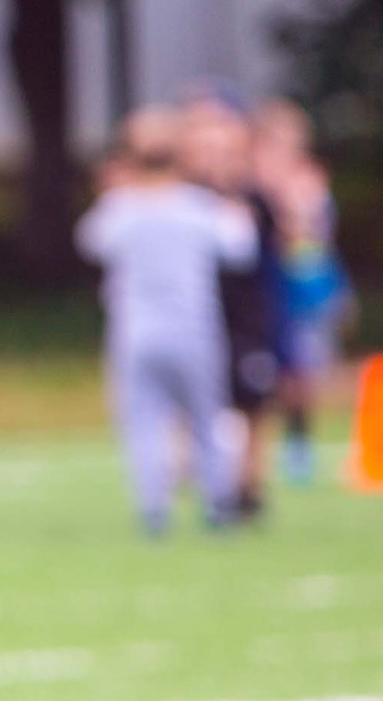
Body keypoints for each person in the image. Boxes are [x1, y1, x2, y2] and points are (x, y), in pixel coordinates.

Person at [77, 108, 259, 536]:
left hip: (136, 333)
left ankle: (154, 509)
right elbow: (241, 245)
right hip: (194, 329)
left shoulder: (119, 208)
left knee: (142, 422)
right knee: (206, 417)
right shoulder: (198, 206)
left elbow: (90, 242)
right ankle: (218, 504)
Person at [182, 94, 283, 521]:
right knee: (200, 406)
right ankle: (213, 485)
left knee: (253, 404)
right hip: (200, 318)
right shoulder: (186, 200)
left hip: (248, 320)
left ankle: (249, 488)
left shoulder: (254, 200)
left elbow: (265, 252)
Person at [254, 99, 356, 484]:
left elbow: (314, 238)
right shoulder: (255, 181)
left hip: (304, 286)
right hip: (266, 286)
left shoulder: (309, 181)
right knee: (270, 371)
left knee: (304, 373)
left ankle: (298, 441)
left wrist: (336, 288)